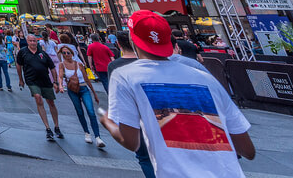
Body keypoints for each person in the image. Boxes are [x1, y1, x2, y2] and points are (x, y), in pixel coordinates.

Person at [100, 11, 254, 178]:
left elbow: (130, 142)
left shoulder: (124, 76)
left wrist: (108, 122)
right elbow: (248, 151)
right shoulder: (206, 79)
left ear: (132, 40)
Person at [17, 33, 63, 142]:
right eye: (30, 41)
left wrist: (55, 82)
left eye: (34, 41)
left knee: (51, 102)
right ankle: (47, 127)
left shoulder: (43, 53)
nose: (33, 43)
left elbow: (52, 67)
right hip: (31, 80)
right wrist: (21, 79)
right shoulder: (22, 52)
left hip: (45, 80)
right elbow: (19, 65)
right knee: (38, 98)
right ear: (27, 41)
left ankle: (56, 126)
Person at [58, 43, 105, 148]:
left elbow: (87, 79)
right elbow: (60, 76)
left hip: (84, 88)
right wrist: (61, 85)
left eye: (68, 52)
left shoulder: (79, 64)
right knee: (79, 111)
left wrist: (94, 93)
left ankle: (98, 137)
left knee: (91, 112)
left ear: (72, 53)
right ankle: (87, 133)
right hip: (72, 90)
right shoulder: (62, 64)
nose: (66, 54)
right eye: (64, 53)